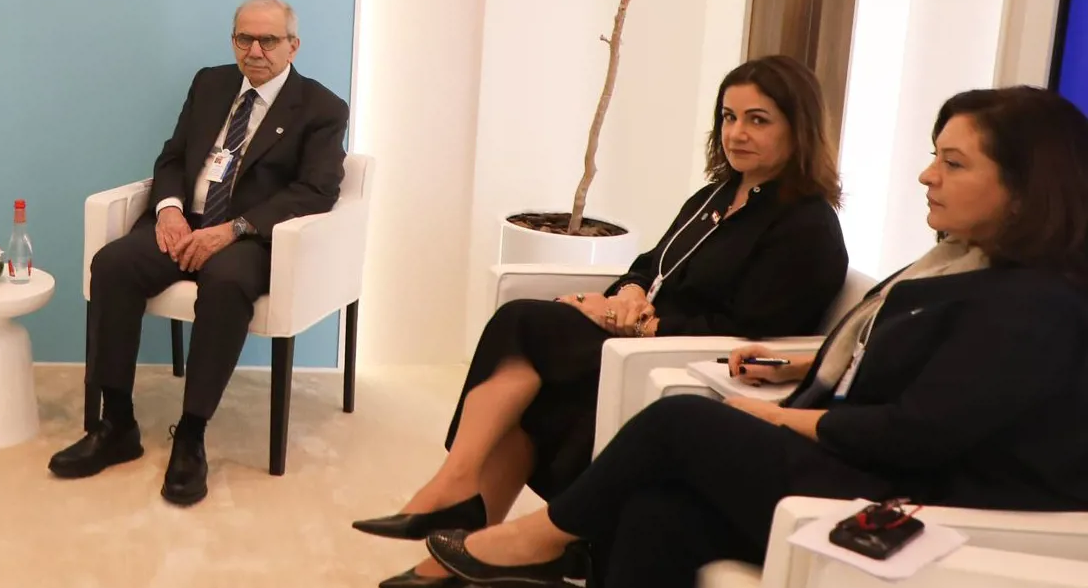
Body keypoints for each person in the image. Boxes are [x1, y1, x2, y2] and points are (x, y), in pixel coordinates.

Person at [420, 85, 1088, 588]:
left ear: (1025, 188)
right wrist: (797, 364)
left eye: (954, 163)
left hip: (921, 497)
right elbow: (912, 361)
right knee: (656, 509)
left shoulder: (1037, 303)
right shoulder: (959, 265)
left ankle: (535, 540)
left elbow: (919, 432)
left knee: (680, 422)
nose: (927, 175)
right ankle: (533, 535)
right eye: (933, 156)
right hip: (876, 461)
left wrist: (775, 417)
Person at [352, 55, 849, 587]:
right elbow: (650, 266)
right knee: (527, 359)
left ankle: (457, 503)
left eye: (758, 119)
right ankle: (463, 532)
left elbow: (749, 330)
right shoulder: (716, 195)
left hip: (674, 364)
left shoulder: (807, 227)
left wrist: (632, 324)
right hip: (632, 341)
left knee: (525, 326)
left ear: (798, 128)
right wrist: (628, 293)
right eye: (728, 117)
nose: (737, 133)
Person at [48, 0, 349, 506]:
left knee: (226, 284)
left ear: (293, 46)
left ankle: (191, 434)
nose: (255, 51)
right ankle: (116, 424)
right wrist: (168, 209)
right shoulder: (210, 84)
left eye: (268, 40)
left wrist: (235, 229)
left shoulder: (322, 108)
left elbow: (316, 192)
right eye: (244, 38)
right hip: (182, 224)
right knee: (113, 265)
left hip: (248, 235)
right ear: (233, 40)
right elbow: (172, 158)